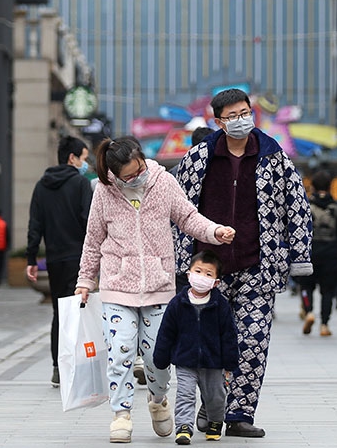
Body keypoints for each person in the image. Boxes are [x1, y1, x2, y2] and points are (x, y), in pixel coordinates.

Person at [75, 136, 236, 444]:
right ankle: (121, 414)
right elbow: (93, 239)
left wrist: (214, 231)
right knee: (120, 352)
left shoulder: (162, 182)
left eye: (140, 169)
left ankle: (158, 399)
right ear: (115, 175)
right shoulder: (104, 192)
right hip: (117, 286)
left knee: (156, 357)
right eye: (129, 175)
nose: (138, 176)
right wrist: (85, 280)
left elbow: (188, 217)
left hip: (158, 286)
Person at [175, 88, 313, 439]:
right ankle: (212, 405)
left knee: (253, 341)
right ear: (219, 121)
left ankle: (239, 414)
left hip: (257, 265)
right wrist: (178, 259)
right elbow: (178, 210)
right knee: (210, 342)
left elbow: (297, 206)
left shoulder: (273, 155)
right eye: (232, 116)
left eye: (245, 113)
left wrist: (299, 255)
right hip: (208, 268)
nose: (241, 120)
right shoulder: (199, 157)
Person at [25, 135, 93, 388]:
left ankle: (57, 367)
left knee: (59, 313)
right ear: (72, 158)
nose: (86, 164)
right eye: (84, 158)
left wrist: (32, 258)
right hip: (78, 258)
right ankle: (77, 365)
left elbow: (35, 224)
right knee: (79, 313)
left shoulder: (42, 185)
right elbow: (89, 223)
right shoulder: (80, 184)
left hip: (54, 260)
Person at [154, 250, 239, 445]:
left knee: (215, 397)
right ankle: (184, 427)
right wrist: (161, 357)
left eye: (208, 274)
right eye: (198, 271)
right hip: (185, 361)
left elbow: (229, 335)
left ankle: (215, 421)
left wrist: (230, 362)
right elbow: (166, 332)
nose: (202, 277)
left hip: (213, 362)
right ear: (189, 274)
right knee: (185, 394)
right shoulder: (178, 303)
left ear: (216, 282)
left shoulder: (220, 305)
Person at [296, 170, 337, 337]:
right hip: (331, 252)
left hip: (309, 252)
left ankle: (309, 311)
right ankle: (324, 324)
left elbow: (297, 229)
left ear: (313, 186)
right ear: (330, 186)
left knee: (305, 287)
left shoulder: (305, 205)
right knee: (327, 291)